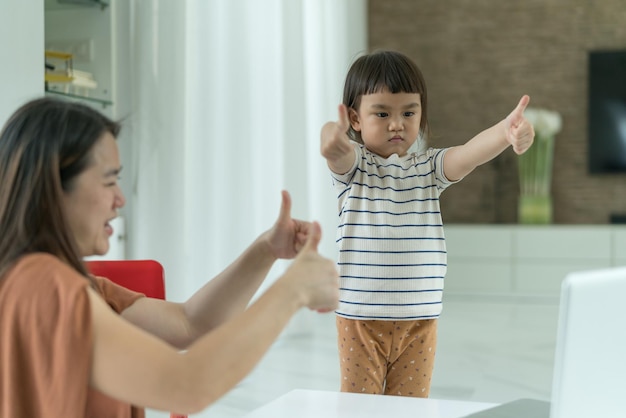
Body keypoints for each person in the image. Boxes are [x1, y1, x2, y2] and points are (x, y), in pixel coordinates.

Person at [0, 97, 340, 417]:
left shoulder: (56, 283)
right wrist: (292, 292)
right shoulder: (48, 289)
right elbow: (187, 385)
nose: (120, 199)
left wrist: (266, 250)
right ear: (52, 189)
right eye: (108, 182)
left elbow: (192, 323)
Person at [320, 50, 534, 397]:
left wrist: (505, 133)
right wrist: (332, 138)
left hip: (420, 321)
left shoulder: (429, 168)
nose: (397, 123)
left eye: (409, 112)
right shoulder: (356, 167)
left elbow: (469, 153)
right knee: (360, 409)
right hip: (360, 320)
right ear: (356, 119)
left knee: (413, 407)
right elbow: (338, 154)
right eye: (382, 113)